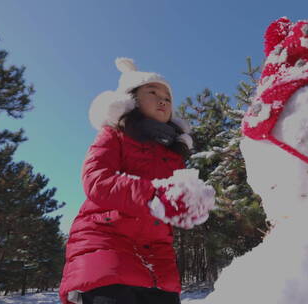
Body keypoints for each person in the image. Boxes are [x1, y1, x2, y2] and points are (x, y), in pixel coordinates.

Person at [59, 58, 214, 304]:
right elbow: (96, 181)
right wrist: (153, 195)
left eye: (168, 97)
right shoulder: (114, 135)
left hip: (158, 254)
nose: (162, 99)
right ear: (131, 100)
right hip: (105, 242)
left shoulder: (174, 155)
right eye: (152, 92)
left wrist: (192, 204)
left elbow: (172, 201)